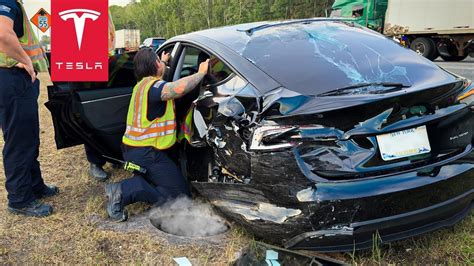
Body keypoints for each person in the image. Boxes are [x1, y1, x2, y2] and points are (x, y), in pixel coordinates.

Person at [105, 48, 209, 221]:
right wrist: (200, 73)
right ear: (155, 65)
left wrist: (164, 62)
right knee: (180, 200)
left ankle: (145, 183)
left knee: (171, 184)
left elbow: (162, 82)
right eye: (160, 63)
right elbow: (178, 88)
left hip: (134, 150)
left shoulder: (142, 86)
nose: (162, 65)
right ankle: (123, 191)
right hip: (147, 154)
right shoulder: (154, 88)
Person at [0, 0, 58, 217]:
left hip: (15, 78)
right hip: (13, 78)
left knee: (29, 137)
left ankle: (34, 185)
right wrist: (26, 61)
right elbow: (3, 35)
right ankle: (20, 199)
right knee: (19, 141)